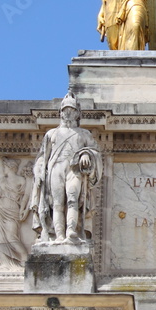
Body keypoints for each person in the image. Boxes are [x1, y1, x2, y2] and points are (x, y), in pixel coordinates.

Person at [29, 91, 102, 245]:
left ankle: (71, 231)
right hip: (56, 168)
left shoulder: (84, 134)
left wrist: (86, 155)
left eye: (72, 110)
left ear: (78, 114)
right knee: (57, 203)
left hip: (74, 169)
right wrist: (39, 170)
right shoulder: (51, 134)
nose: (69, 113)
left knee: (73, 199)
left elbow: (95, 151)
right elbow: (43, 156)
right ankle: (59, 236)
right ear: (60, 113)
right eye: (66, 111)